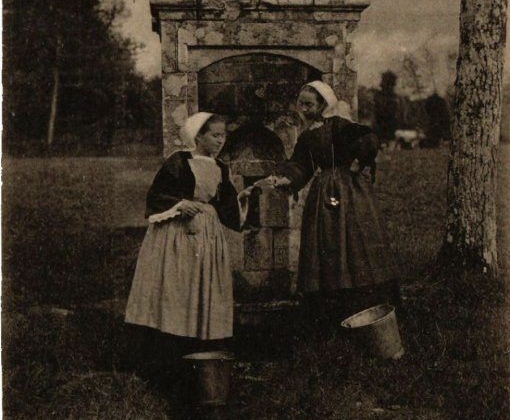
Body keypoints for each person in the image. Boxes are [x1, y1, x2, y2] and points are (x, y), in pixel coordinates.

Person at [125, 112, 251, 374]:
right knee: (177, 285)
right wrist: (180, 204)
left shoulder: (221, 168)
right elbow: (157, 195)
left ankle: (198, 343)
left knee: (201, 286)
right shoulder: (179, 161)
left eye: (223, 136)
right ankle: (168, 348)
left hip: (207, 236)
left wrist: (244, 198)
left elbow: (226, 207)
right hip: (176, 235)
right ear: (199, 136)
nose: (220, 141)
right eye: (215, 135)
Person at [268, 81, 401, 328]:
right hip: (323, 193)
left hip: (349, 190)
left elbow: (369, 139)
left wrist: (358, 163)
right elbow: (301, 165)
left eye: (310, 104)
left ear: (322, 105)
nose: (304, 109)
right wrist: (287, 178)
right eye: (301, 104)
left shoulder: (339, 125)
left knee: (354, 239)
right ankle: (333, 308)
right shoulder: (306, 136)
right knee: (328, 242)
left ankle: (364, 303)